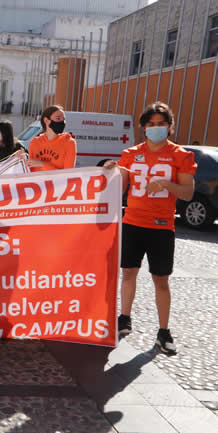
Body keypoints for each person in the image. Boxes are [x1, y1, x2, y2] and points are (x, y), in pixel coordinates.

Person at [104, 101, 196, 355]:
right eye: (151, 124)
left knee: (161, 281)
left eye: (161, 124)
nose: (156, 128)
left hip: (161, 226)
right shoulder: (130, 154)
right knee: (128, 274)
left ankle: (163, 332)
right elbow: (120, 189)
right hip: (132, 222)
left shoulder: (182, 155)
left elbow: (188, 193)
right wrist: (109, 173)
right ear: (144, 128)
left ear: (170, 127)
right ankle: (124, 318)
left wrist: (167, 184)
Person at [28, 105, 76, 171]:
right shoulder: (35, 142)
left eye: (64, 119)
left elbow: (67, 174)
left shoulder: (69, 143)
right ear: (46, 120)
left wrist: (42, 164)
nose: (62, 122)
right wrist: (21, 159)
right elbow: (30, 169)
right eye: (58, 118)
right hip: (38, 181)